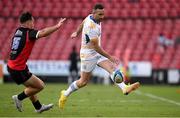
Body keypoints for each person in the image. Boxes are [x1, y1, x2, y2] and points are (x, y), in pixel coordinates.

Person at [59, 4, 140, 109]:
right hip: (88, 54)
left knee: (112, 68)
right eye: (100, 14)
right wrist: (110, 57)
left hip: (96, 52)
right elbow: (96, 47)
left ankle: (124, 88)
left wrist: (76, 32)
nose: (102, 17)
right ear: (94, 12)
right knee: (83, 82)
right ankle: (65, 94)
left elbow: (82, 24)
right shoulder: (91, 27)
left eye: (103, 14)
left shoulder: (89, 17)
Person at [7, 12, 66, 113]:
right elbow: (43, 32)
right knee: (40, 86)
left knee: (31, 87)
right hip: (18, 69)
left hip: (15, 66)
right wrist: (57, 26)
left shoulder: (18, 31)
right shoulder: (29, 33)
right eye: (33, 21)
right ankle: (19, 97)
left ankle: (38, 107)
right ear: (29, 21)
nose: (33, 24)